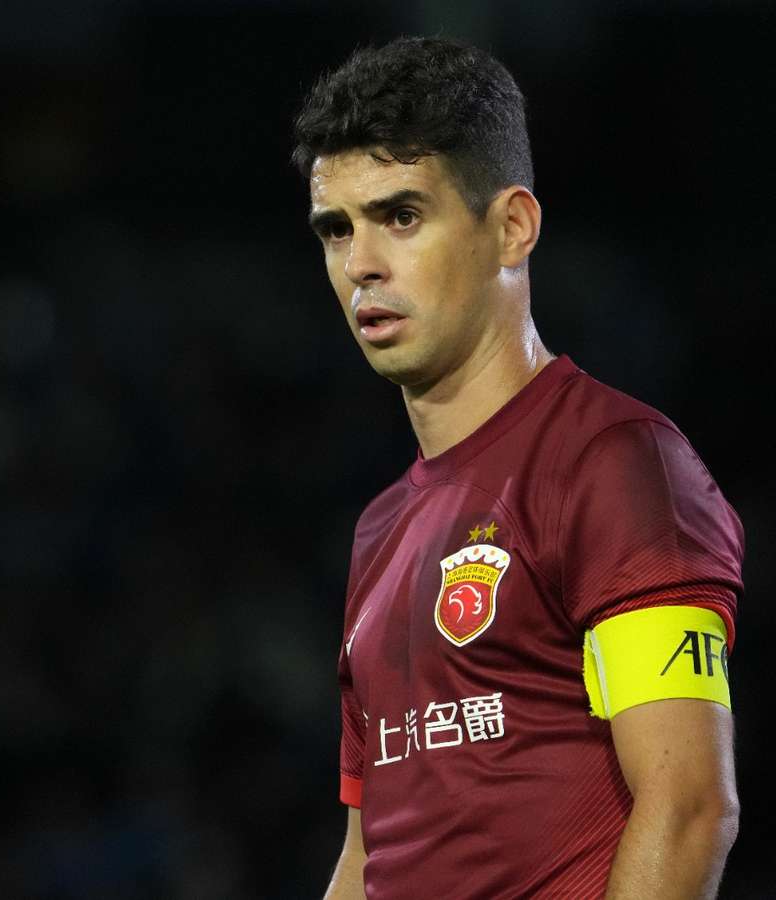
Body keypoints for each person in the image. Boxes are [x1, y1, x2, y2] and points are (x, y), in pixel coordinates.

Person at [292, 37, 745, 899]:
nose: (360, 265)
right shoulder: (380, 529)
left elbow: (688, 808)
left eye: (401, 216)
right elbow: (368, 855)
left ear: (511, 227)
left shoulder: (615, 463)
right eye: (336, 229)